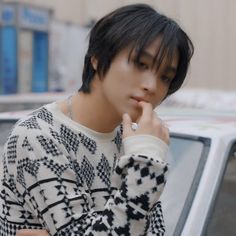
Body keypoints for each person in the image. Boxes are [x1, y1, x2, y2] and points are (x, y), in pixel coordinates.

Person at [0, 3, 194, 236]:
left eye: (165, 77)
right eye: (141, 64)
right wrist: (145, 167)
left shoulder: (133, 140)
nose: (152, 86)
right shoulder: (37, 135)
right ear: (98, 57)